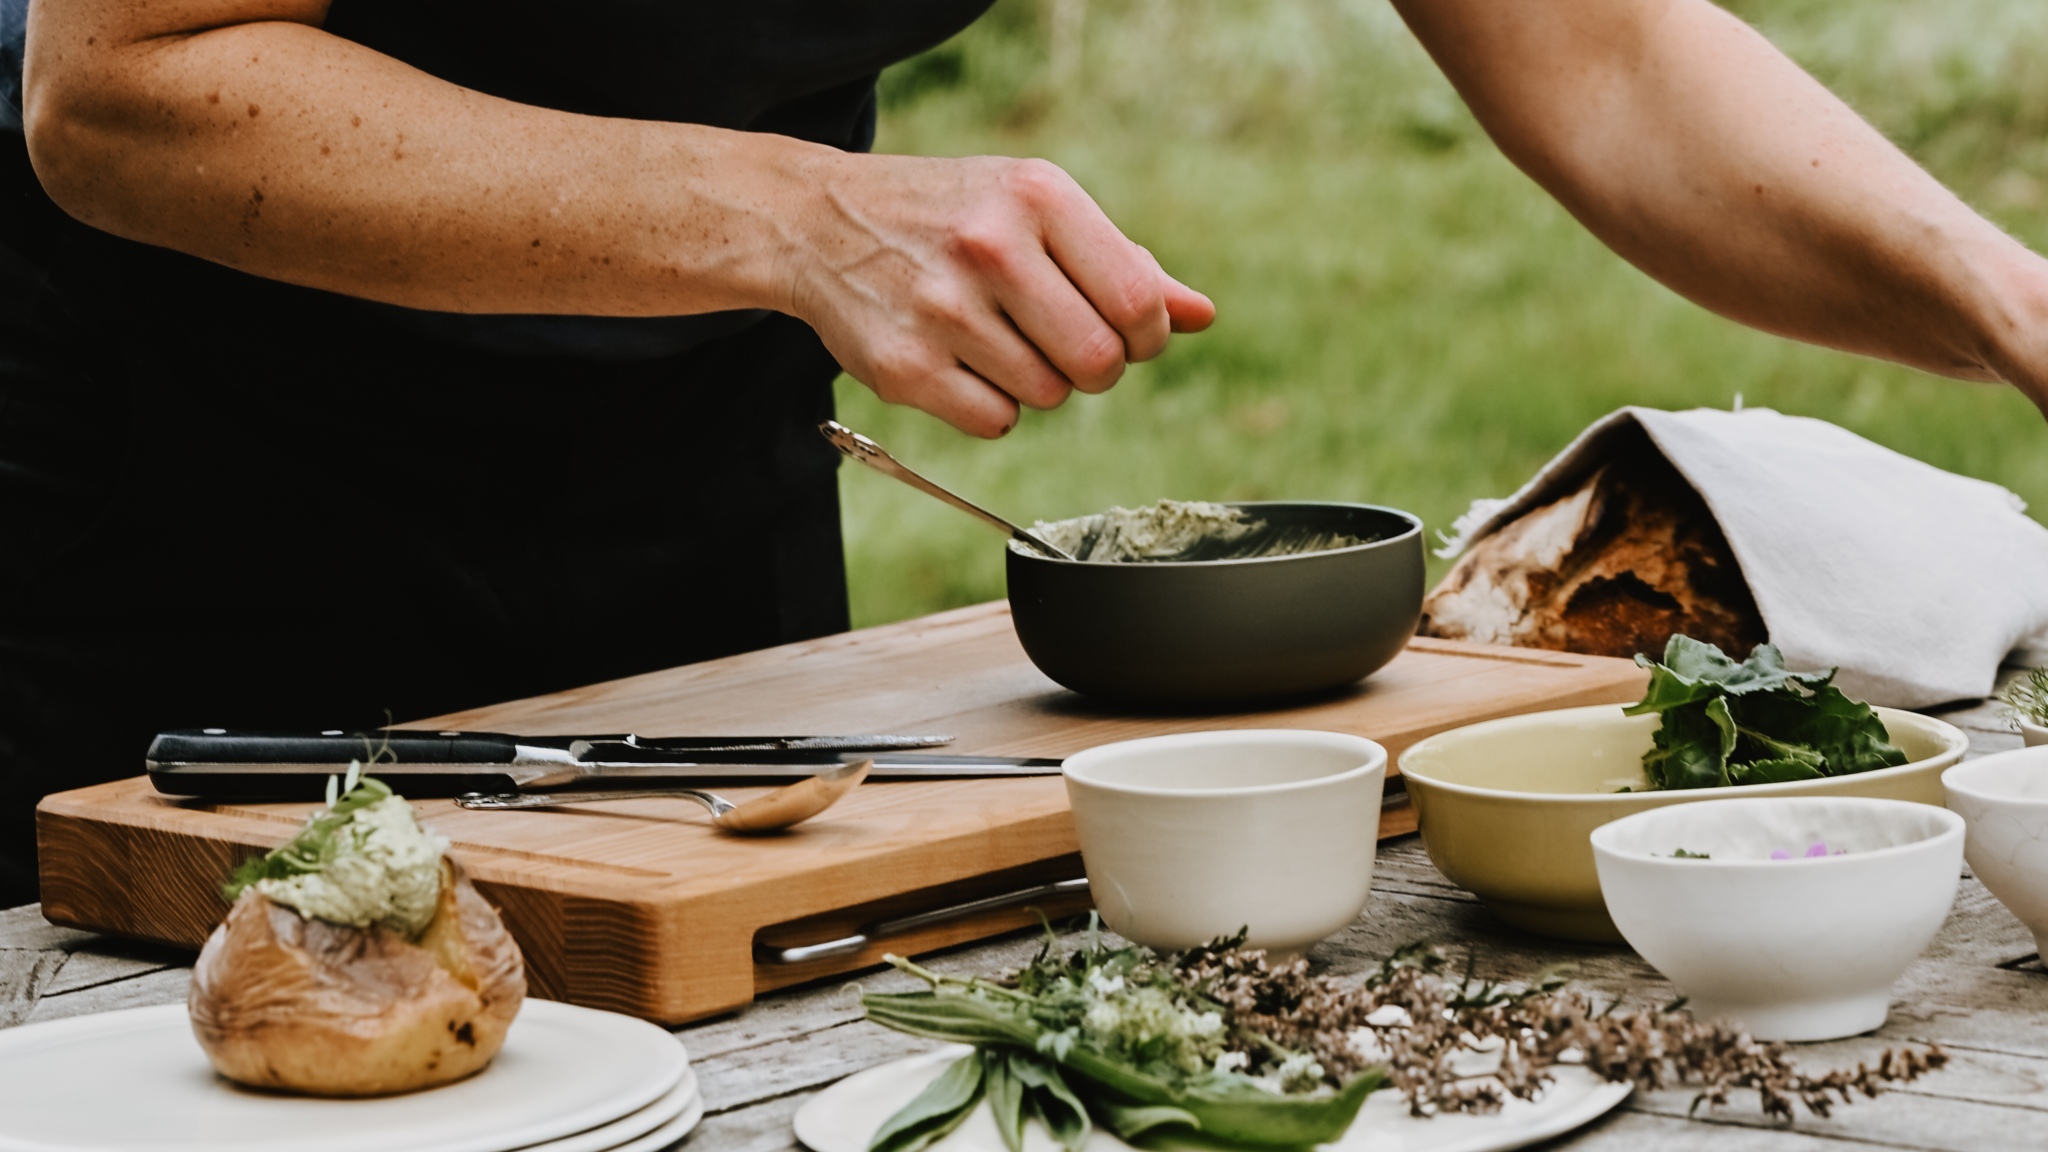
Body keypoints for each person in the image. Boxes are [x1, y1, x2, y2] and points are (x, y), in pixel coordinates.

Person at [1, 0, 2043, 907]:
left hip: (694, 433)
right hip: (174, 471)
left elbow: (1598, 54)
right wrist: (793, 223)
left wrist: (2017, 311)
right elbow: (123, 95)